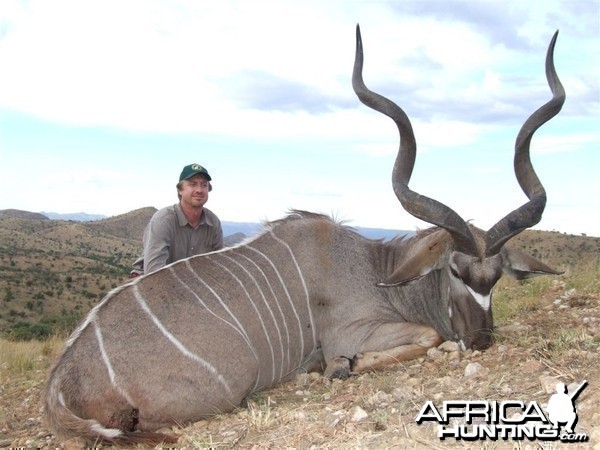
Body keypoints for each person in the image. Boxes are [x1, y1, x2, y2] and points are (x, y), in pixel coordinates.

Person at [130, 163, 223, 277]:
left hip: (195, 284)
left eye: (204, 185)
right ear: (180, 190)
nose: (199, 190)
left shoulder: (214, 223)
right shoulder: (163, 220)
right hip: (155, 285)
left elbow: (218, 265)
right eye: (193, 184)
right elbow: (153, 274)